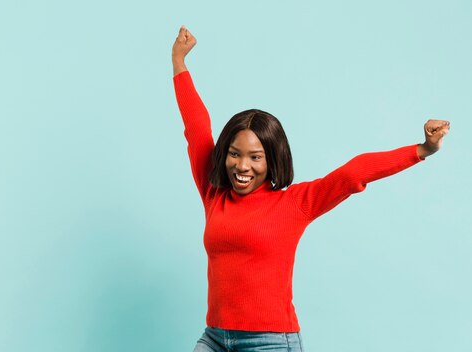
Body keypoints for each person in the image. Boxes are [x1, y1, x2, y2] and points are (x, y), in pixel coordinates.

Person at [171, 25, 450, 352]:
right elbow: (197, 128)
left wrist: (422, 150)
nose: (242, 166)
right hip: (215, 337)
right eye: (235, 154)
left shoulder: (294, 204)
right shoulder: (214, 193)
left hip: (270, 342)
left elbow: (352, 174)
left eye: (255, 157)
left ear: (272, 159)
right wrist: (179, 62)